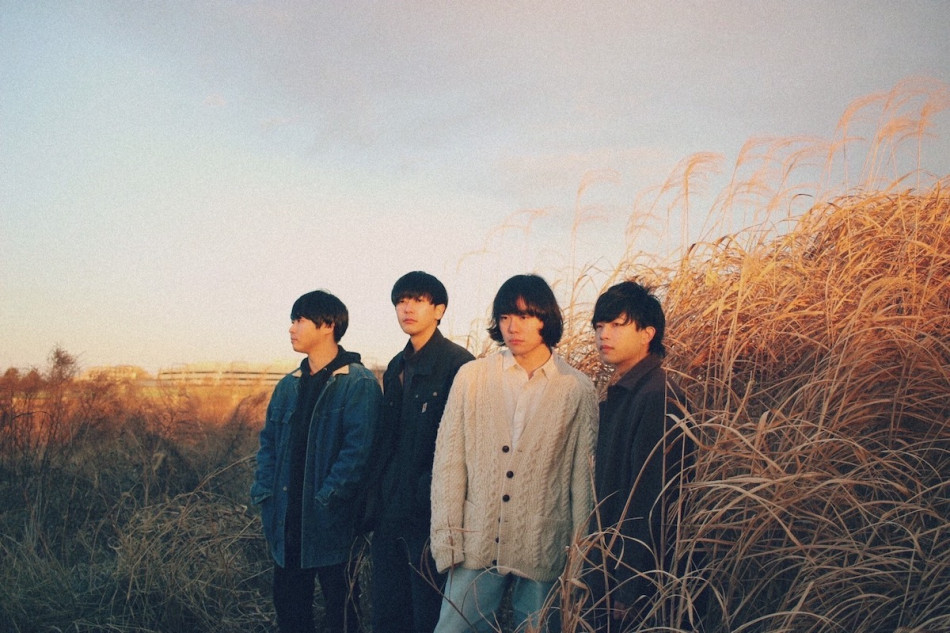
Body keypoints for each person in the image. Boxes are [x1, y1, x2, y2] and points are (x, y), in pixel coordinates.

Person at [430, 274, 598, 633]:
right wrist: (448, 540)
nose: (512, 326)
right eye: (505, 317)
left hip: (542, 546)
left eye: (524, 316)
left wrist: (579, 559)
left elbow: (581, 482)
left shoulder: (576, 388)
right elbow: (448, 463)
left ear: (545, 318)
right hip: (475, 542)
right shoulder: (471, 377)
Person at [251, 290, 382, 633]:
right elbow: (268, 445)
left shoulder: (358, 383)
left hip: (332, 523)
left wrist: (327, 499)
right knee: (290, 612)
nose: (291, 328)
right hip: (287, 520)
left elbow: (358, 453)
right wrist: (265, 493)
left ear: (327, 325)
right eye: (292, 321)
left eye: (299, 320)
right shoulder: (288, 386)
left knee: (342, 611)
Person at [370, 272, 475, 633]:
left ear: (439, 310)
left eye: (418, 300)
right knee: (387, 612)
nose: (407, 308)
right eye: (401, 301)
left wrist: (427, 490)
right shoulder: (396, 366)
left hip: (430, 514)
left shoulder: (460, 365)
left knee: (427, 613)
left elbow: (466, 444)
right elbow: (386, 440)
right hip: (390, 509)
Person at [587, 280, 694, 631]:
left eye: (617, 325)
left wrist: (631, 583)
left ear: (648, 333)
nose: (604, 334)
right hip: (611, 564)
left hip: (634, 577)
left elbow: (654, 497)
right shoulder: (623, 392)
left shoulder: (658, 396)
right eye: (599, 325)